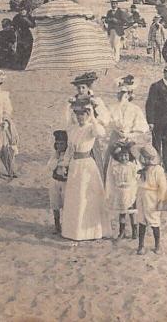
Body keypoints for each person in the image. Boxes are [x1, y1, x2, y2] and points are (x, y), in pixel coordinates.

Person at [60, 97, 112, 241]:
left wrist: (93, 118)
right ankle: (74, 232)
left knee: (86, 197)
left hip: (87, 166)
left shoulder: (91, 128)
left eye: (83, 114)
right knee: (75, 198)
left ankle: (92, 232)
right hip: (75, 166)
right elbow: (70, 149)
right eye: (78, 114)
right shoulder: (73, 129)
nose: (80, 117)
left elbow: (101, 133)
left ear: (88, 115)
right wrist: (64, 164)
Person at [66, 72, 112, 181]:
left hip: (90, 133)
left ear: (88, 88)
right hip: (78, 133)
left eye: (83, 87)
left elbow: (105, 119)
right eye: (78, 88)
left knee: (93, 160)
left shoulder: (95, 101)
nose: (81, 90)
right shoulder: (73, 102)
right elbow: (69, 120)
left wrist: (94, 115)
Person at [107, 74, 149, 178]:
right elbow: (106, 123)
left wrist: (128, 135)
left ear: (129, 94)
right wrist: (115, 130)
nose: (121, 96)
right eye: (119, 93)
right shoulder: (111, 108)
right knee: (112, 168)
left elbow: (142, 129)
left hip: (129, 140)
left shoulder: (135, 109)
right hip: (115, 140)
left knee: (130, 168)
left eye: (124, 93)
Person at [145, 63, 167, 175]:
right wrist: (150, 121)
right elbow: (149, 105)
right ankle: (156, 166)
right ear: (164, 72)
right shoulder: (156, 86)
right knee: (156, 143)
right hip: (157, 121)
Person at [135, 147, 167, 255]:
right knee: (141, 221)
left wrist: (160, 201)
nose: (145, 160)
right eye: (143, 158)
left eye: (148, 158)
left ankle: (157, 245)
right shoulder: (142, 168)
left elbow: (163, 187)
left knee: (154, 222)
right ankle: (141, 245)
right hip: (141, 196)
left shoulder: (157, 170)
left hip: (152, 197)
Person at [106, 143, 140, 239]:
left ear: (129, 156)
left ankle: (134, 231)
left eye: (126, 155)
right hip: (120, 192)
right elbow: (112, 179)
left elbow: (137, 177)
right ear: (118, 157)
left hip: (130, 192)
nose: (124, 158)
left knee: (132, 213)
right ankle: (122, 231)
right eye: (121, 156)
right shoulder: (116, 167)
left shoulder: (133, 166)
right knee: (122, 213)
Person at [47, 130, 68, 234]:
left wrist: (62, 162)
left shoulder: (69, 155)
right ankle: (57, 224)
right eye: (58, 144)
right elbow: (50, 166)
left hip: (65, 183)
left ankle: (66, 225)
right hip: (55, 180)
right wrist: (58, 160)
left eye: (62, 144)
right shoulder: (55, 154)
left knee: (66, 204)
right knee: (55, 203)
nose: (60, 146)